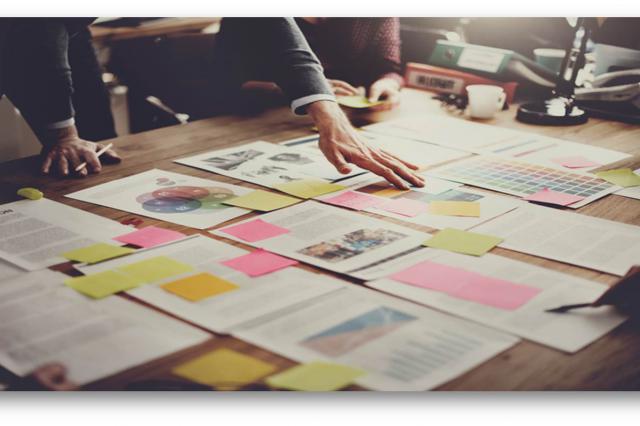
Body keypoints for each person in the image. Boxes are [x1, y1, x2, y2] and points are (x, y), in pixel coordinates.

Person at [0, 18, 120, 177]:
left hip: (65, 30)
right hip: (31, 25)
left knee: (98, 146)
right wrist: (64, 136)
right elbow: (36, 32)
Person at [295, 18, 404, 107]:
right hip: (286, 110)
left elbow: (390, 69)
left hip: (351, 110)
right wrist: (309, 87)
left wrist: (388, 83)